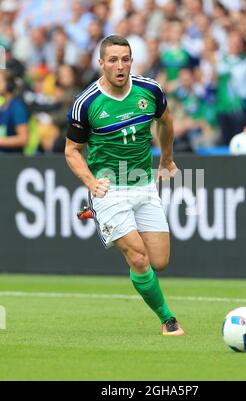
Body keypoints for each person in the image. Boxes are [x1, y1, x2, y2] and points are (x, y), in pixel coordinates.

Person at [65, 35, 185, 336]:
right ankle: (168, 319)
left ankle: (101, 221)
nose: (121, 66)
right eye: (114, 60)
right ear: (101, 63)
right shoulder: (86, 103)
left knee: (160, 261)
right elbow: (72, 151)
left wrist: (166, 160)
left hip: (143, 186)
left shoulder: (150, 90)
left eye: (126, 59)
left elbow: (166, 121)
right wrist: (92, 183)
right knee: (139, 257)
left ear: (132, 60)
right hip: (109, 189)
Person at [0, 70, 29, 153]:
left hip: (13, 159)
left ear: (9, 85)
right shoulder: (3, 106)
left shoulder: (17, 107)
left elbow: (23, 139)